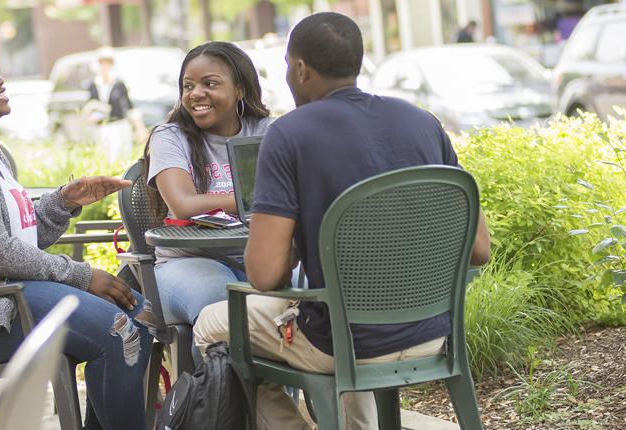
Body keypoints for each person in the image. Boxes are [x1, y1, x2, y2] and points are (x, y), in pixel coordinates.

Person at [194, 12, 491, 430]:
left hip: (343, 343)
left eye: (286, 67)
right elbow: (479, 250)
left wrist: (296, 239)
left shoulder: (289, 134)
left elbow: (264, 274)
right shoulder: (424, 122)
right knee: (340, 314)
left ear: (300, 69)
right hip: (433, 333)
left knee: (211, 325)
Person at [0, 36, 155, 430]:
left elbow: (13, 239)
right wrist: (83, 276)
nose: (0, 81)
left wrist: (64, 201)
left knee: (144, 317)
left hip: (1, 296)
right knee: (119, 331)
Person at [143, 41, 271, 330]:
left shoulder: (266, 131)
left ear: (240, 89)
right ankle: (214, 377)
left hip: (260, 253)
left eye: (210, 84)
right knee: (222, 306)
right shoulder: (170, 136)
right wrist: (253, 199)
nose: (196, 94)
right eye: (188, 86)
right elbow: (183, 204)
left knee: (315, 288)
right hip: (187, 262)